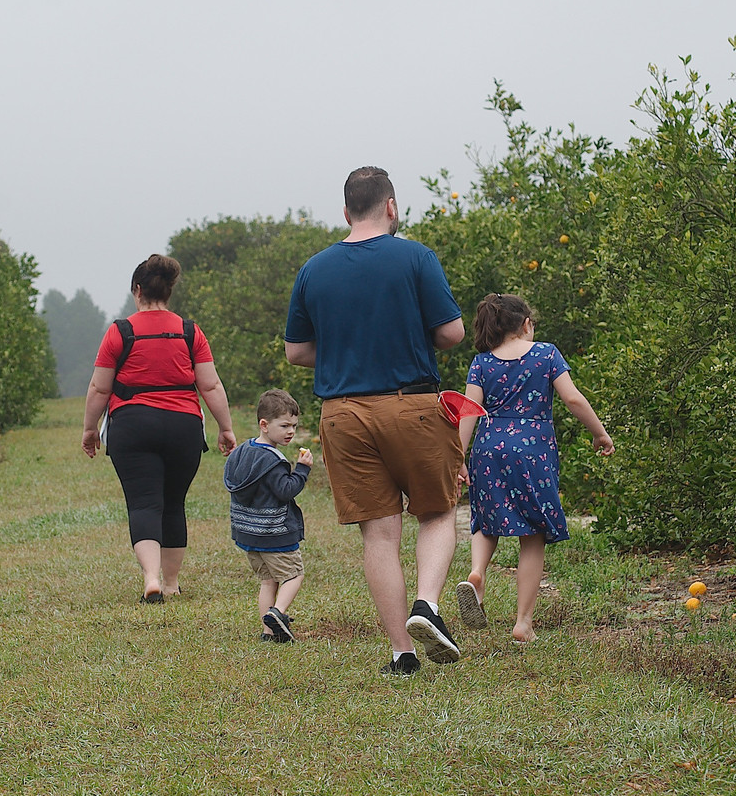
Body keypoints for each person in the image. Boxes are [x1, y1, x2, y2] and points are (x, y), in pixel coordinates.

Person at [284, 166, 466, 676]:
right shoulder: (414, 256)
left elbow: (297, 350)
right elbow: (451, 333)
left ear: (345, 212)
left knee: (378, 535)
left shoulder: (313, 269)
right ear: (391, 207)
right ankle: (426, 605)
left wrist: (343, 346)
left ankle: (401, 654)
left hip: (343, 414)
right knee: (436, 511)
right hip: (411, 403)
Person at [455, 293, 614, 644]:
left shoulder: (482, 362)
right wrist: (600, 433)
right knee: (533, 532)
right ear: (526, 324)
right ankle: (523, 623)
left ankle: (478, 574)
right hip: (533, 450)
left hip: (488, 447)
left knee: (485, 517)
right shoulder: (546, 353)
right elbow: (572, 398)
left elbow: (468, 410)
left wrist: (458, 458)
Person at [81, 254, 236, 603]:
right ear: (169, 292)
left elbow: (99, 388)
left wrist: (90, 429)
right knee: (173, 504)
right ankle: (170, 582)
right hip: (183, 425)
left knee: (143, 504)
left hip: (132, 426)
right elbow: (210, 386)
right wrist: (225, 428)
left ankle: (150, 578)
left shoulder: (121, 331)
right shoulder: (189, 331)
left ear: (137, 290)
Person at [223, 389, 313, 643]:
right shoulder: (272, 460)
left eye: (294, 426)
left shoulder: (241, 452)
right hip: (274, 534)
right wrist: (303, 470)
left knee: (268, 581)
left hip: (248, 533)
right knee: (294, 575)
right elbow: (286, 490)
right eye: (284, 425)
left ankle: (269, 634)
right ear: (264, 424)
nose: (291, 431)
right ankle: (278, 613)